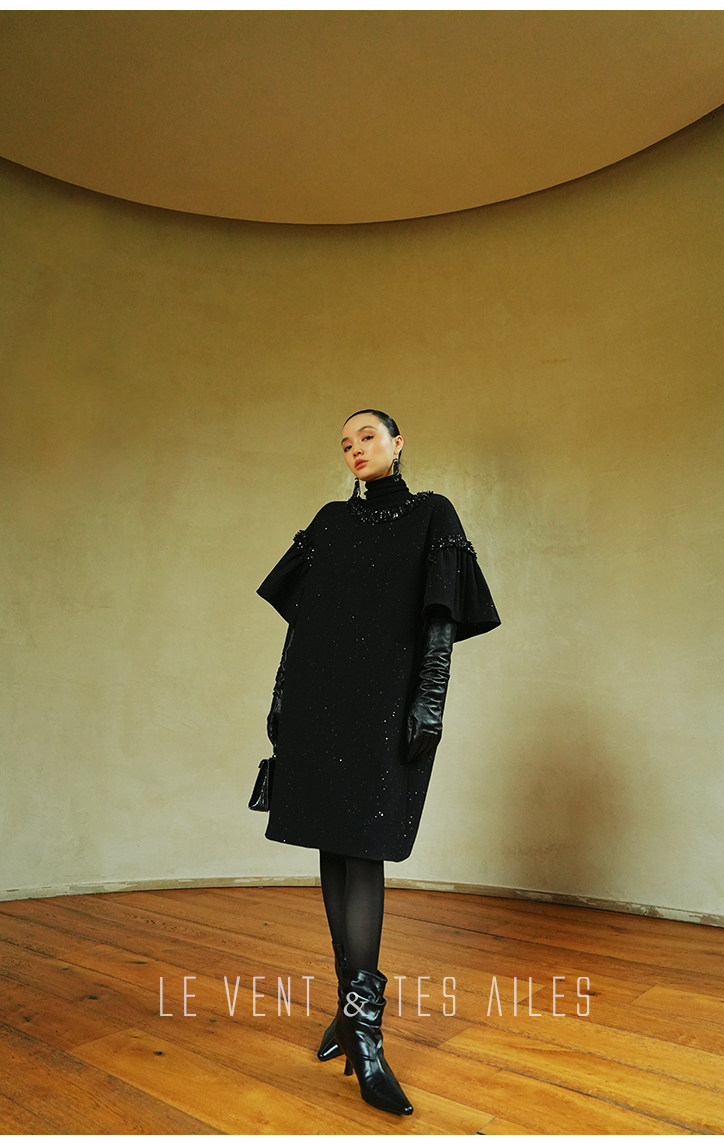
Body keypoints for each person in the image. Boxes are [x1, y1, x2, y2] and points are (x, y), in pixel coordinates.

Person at [256, 409, 500, 1116]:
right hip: (318, 703)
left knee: (364, 848)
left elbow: (440, 617)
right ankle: (353, 1015)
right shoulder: (330, 522)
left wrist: (430, 700)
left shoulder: (432, 514)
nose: (354, 448)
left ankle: (363, 1032)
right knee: (334, 847)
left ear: (398, 443)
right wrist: (280, 699)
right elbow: (302, 624)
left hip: (386, 705)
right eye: (344, 443)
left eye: (366, 436)